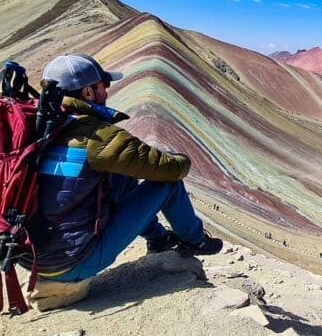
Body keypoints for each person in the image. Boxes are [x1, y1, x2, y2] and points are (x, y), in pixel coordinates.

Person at [25, 54, 222, 297]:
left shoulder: (38, 126)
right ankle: (195, 241)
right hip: (72, 261)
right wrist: (178, 157)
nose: (106, 92)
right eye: (103, 86)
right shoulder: (96, 137)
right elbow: (168, 169)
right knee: (169, 185)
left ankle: (159, 239)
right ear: (88, 93)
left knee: (120, 178)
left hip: (31, 255)